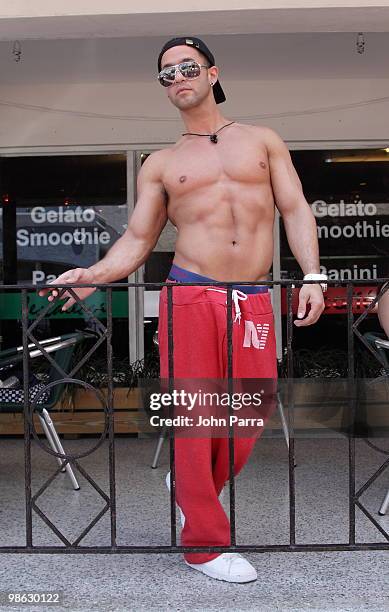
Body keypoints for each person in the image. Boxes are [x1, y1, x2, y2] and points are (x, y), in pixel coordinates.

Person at [39, 36, 326, 583]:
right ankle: (203, 544)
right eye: (165, 74)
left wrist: (312, 274)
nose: (177, 79)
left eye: (186, 67)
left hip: (251, 297)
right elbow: (137, 241)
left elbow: (295, 208)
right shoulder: (162, 164)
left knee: (249, 412)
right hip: (189, 294)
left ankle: (193, 487)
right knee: (197, 418)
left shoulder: (262, 140)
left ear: (213, 73)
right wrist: (94, 275)